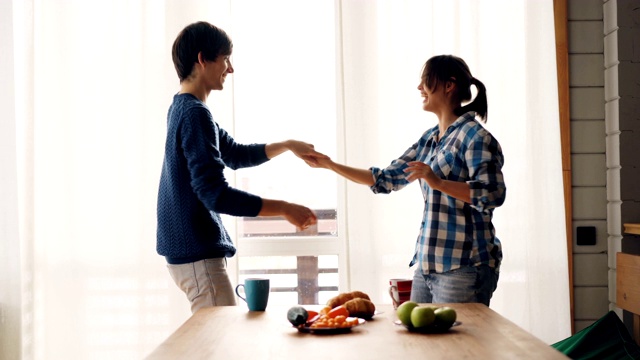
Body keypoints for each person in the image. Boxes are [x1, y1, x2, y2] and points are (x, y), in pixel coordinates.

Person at [308, 55, 506, 306]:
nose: (419, 87)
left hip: (464, 267)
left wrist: (438, 182)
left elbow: (493, 194)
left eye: (425, 80)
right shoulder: (432, 138)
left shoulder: (475, 137)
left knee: (457, 345)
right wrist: (330, 164)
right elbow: (387, 179)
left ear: (449, 85)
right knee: (420, 342)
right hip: (427, 265)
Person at [157, 21, 327, 313]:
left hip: (189, 252)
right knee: (218, 346)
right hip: (196, 253)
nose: (230, 68)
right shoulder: (194, 114)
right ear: (202, 59)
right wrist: (285, 208)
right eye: (225, 59)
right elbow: (215, 195)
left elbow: (234, 154)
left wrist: (287, 145)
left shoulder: (184, 108)